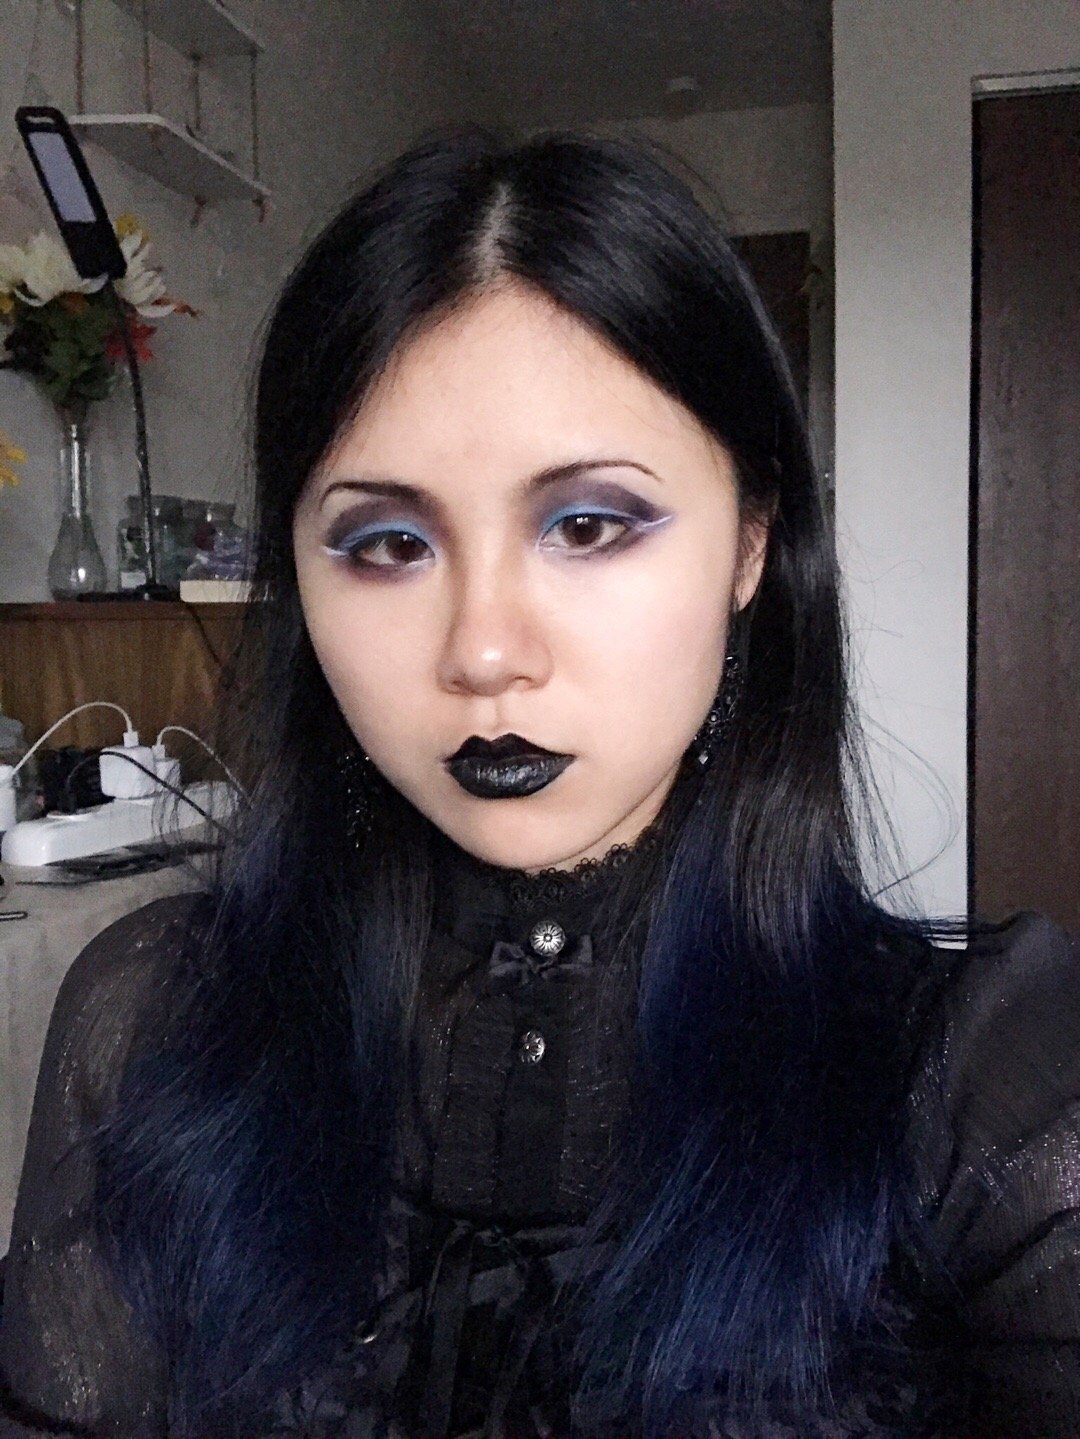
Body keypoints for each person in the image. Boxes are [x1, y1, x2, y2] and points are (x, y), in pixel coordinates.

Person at [0, 127, 1076, 1439]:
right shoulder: (152, 1021)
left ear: (751, 540)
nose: (483, 651)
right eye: (387, 543)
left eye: (588, 524)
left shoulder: (990, 1086)